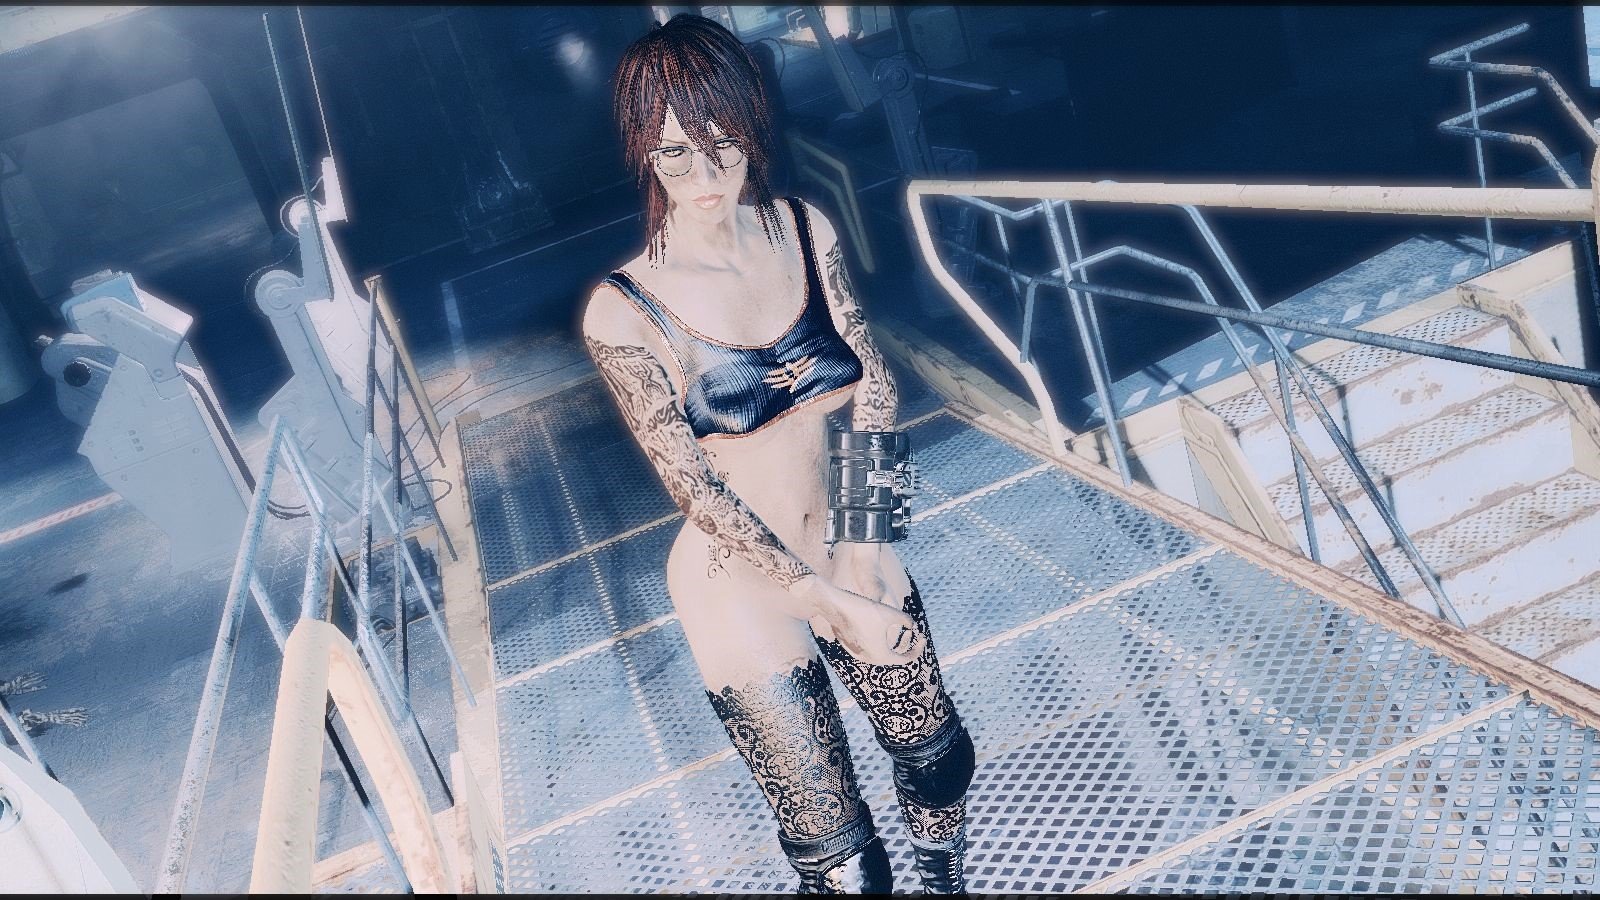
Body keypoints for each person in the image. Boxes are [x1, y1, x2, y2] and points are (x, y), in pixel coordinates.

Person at [581, 14, 973, 894]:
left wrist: (863, 553)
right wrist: (822, 600)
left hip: (847, 531)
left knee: (939, 759)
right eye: (675, 153)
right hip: (737, 582)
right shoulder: (625, 310)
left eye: (722, 143)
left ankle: (945, 880)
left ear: (751, 126)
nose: (704, 175)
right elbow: (695, 490)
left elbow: (873, 388)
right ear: (645, 151)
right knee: (845, 865)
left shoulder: (803, 227)